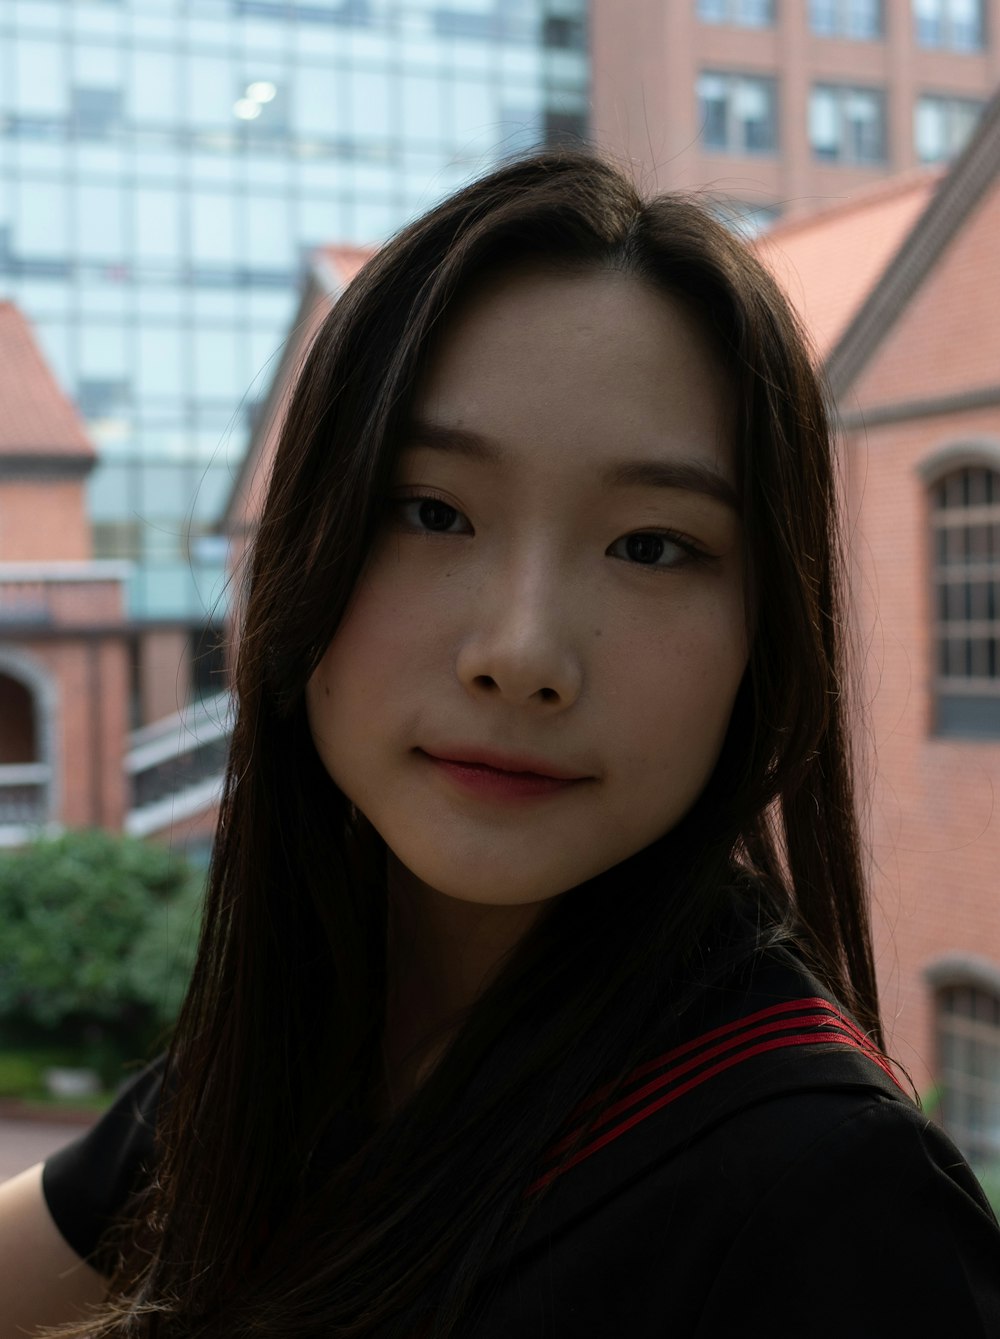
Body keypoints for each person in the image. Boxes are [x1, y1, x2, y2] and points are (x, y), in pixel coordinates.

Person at [2, 147, 999, 1338]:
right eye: (432, 512)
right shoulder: (312, 1039)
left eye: (652, 545)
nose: (521, 654)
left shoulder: (829, 1210)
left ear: (764, 638)